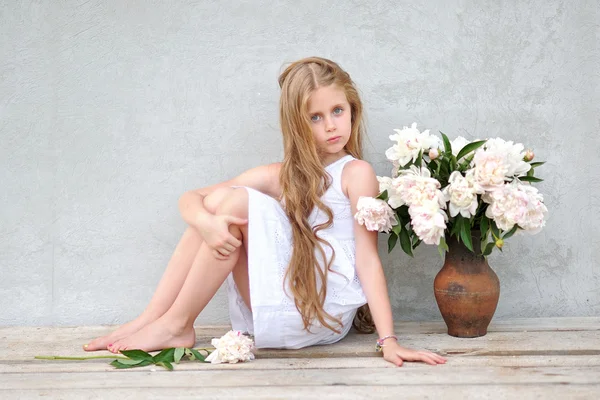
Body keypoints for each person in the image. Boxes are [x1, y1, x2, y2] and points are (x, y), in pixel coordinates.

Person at [83, 57, 446, 367]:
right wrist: (207, 224)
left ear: (353, 109)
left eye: (337, 111)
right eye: (315, 117)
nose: (331, 125)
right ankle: (155, 319)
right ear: (297, 125)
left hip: (321, 315)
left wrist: (389, 340)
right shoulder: (281, 175)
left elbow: (367, 259)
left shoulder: (356, 174)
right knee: (222, 207)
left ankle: (177, 323)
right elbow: (192, 198)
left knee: (235, 202)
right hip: (282, 303)